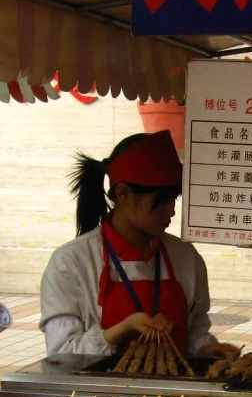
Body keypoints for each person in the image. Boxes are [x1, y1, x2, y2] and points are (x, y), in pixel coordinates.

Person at [40, 130, 236, 359]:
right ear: (124, 193)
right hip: (99, 395)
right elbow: (61, 355)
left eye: (174, 199)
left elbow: (195, 329)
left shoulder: (185, 257)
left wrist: (206, 348)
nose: (171, 210)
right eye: (162, 200)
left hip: (175, 393)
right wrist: (121, 330)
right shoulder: (71, 263)